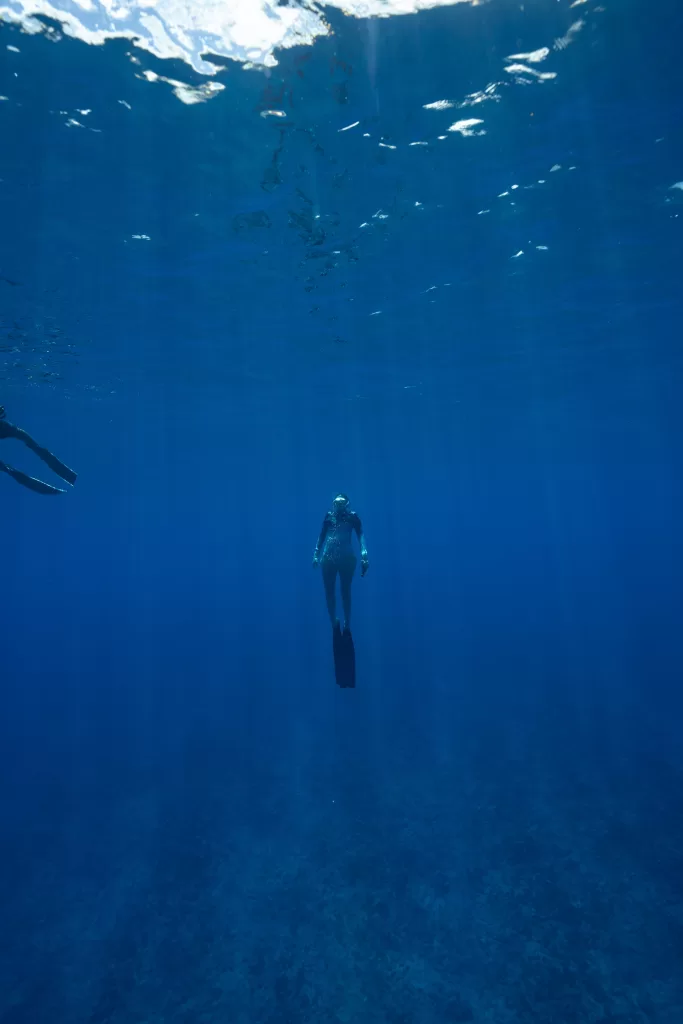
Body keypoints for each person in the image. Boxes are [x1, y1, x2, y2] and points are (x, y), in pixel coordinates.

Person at [313, 493, 368, 634]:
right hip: (329, 559)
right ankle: (334, 621)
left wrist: (364, 554)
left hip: (346, 559)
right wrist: (316, 553)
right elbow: (322, 535)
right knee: (330, 591)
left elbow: (360, 535)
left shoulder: (353, 517)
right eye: (337, 503)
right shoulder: (329, 516)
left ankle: (346, 622)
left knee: (345, 591)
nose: (339, 506)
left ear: (347, 504)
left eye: (342, 503)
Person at [0, 405, 77, 495]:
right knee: (7, 468)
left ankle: (57, 487)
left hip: (4, 428)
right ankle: (54, 489)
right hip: (5, 428)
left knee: (30, 445)